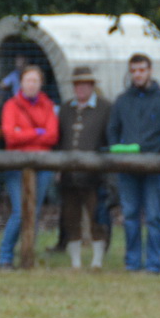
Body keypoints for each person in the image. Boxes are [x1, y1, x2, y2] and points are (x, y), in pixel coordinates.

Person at [106, 53, 160, 273]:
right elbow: (113, 130)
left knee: (154, 215)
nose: (137, 74)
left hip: (155, 167)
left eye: (141, 70)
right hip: (128, 167)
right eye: (134, 70)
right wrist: (118, 154)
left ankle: (153, 263)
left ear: (149, 71)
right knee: (129, 215)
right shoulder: (122, 100)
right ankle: (132, 262)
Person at [0, 65, 58, 267]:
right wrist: (37, 132)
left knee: (34, 211)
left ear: (41, 84)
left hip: (43, 166)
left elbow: (53, 136)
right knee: (20, 211)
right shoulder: (11, 105)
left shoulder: (47, 105)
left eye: (35, 80)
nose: (31, 84)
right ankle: (5, 256)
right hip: (16, 165)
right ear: (21, 83)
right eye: (28, 80)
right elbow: (11, 137)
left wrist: (25, 132)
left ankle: (27, 254)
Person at [57, 66, 111, 268]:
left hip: (96, 175)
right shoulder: (65, 108)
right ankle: (76, 262)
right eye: (77, 84)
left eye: (85, 84)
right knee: (71, 217)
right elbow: (59, 139)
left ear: (91, 86)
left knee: (96, 216)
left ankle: (97, 261)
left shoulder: (105, 108)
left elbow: (109, 138)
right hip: (68, 175)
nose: (80, 88)